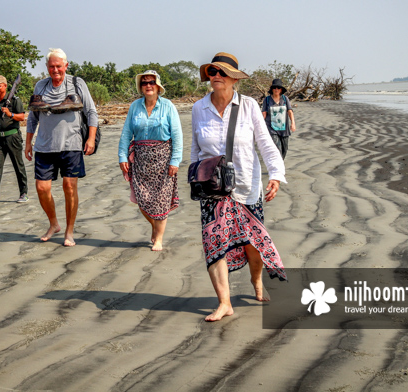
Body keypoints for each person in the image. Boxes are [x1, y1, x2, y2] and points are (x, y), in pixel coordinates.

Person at [190, 52, 287, 322]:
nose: (217, 76)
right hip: (212, 189)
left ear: (234, 78)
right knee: (214, 244)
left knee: (252, 244)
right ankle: (224, 303)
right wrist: (194, 178)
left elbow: (266, 143)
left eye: (222, 72)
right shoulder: (199, 108)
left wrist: (276, 175)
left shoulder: (248, 106)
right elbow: (195, 149)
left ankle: (256, 281)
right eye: (212, 72)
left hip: (246, 186)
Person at [25, 48, 98, 247]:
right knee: (42, 188)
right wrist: (28, 143)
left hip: (72, 144)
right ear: (47, 67)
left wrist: (90, 139)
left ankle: (69, 231)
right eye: (51, 66)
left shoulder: (77, 83)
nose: (55, 70)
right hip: (44, 145)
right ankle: (53, 223)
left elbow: (91, 112)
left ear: (66, 66)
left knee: (69, 187)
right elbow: (33, 116)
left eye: (59, 66)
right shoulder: (40, 85)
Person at [118, 70, 183, 251]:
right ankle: (155, 227)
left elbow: (177, 135)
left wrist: (175, 161)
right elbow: (126, 134)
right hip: (140, 161)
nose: (148, 85)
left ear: (157, 86)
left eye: (151, 82)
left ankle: (159, 238)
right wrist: (122, 156)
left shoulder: (168, 106)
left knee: (161, 200)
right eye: (144, 83)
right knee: (142, 198)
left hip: (163, 160)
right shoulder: (134, 107)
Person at [0, 75, 29, 205]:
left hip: (12, 137)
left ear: (5, 86)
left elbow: (22, 117)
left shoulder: (14, 101)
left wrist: (10, 114)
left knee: (18, 166)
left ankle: (23, 193)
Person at [261, 78, 296, 160]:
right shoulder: (267, 100)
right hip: (272, 129)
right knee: (277, 150)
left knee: (285, 149)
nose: (276, 89)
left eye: (278, 88)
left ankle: (279, 166)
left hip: (284, 129)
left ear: (281, 90)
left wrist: (293, 123)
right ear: (272, 89)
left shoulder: (285, 99)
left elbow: (290, 111)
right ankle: (278, 170)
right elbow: (263, 114)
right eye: (274, 88)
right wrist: (260, 128)